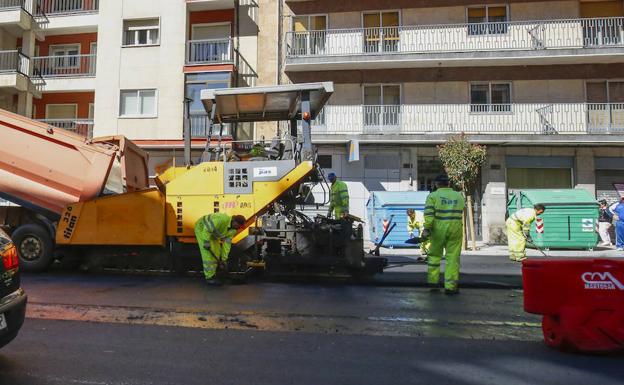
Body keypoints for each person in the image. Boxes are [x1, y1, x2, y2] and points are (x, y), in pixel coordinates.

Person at [421, 174, 465, 295]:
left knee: (434, 255)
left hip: (438, 228)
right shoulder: (458, 196)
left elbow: (429, 215)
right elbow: (462, 209)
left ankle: (433, 283)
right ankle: (451, 287)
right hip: (456, 227)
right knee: (453, 257)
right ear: (449, 183)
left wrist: (426, 229)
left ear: (436, 184)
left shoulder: (432, 196)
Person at [194, 213, 246, 285]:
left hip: (212, 234)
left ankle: (213, 273)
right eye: (239, 226)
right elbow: (207, 229)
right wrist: (206, 241)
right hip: (202, 228)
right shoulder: (222, 219)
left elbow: (227, 245)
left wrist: (224, 260)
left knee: (217, 253)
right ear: (234, 221)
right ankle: (209, 277)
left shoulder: (233, 230)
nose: (239, 228)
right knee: (208, 255)